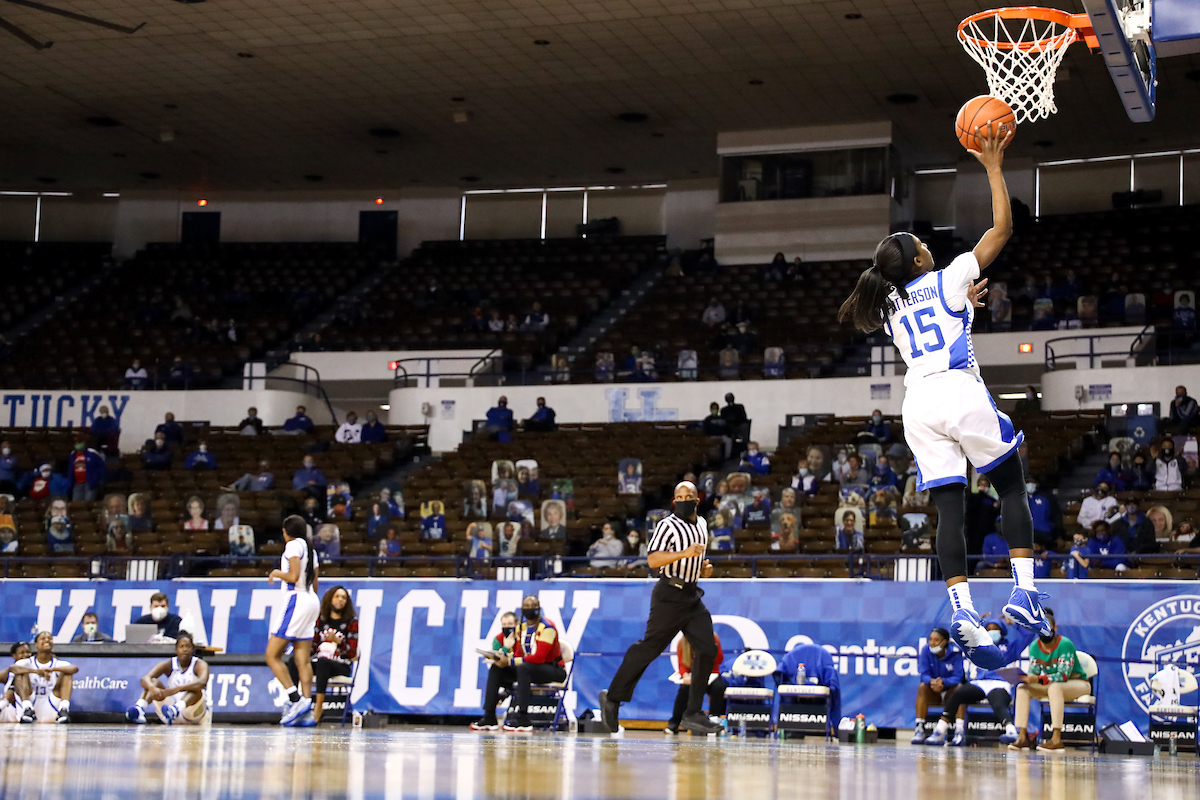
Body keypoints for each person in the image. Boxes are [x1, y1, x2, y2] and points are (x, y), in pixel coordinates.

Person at [837, 122, 1046, 671]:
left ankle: (962, 610)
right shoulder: (953, 275)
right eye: (922, 246)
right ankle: (1024, 592)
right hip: (957, 391)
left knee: (948, 509)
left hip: (918, 407)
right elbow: (1002, 228)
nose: (930, 246)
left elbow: (930, 317)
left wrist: (964, 305)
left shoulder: (886, 306)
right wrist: (995, 169)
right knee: (1010, 485)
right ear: (918, 263)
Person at [600, 482, 723, 736]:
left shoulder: (702, 524)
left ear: (697, 500)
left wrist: (703, 571)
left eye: (687, 497)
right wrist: (684, 552)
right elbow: (654, 559)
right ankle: (612, 698)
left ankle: (692, 713)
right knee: (649, 648)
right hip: (669, 594)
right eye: (678, 497)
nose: (683, 500)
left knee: (708, 648)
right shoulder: (667, 525)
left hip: (691, 594)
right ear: (673, 501)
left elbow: (696, 563)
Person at [928, 616, 1036, 747]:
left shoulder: (1010, 647)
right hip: (979, 682)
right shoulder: (978, 646)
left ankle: (1011, 732)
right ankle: (939, 731)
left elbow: (1029, 635)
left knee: (998, 703)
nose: (992, 631)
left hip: (999, 682)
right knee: (957, 694)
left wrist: (1014, 623)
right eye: (988, 629)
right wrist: (974, 624)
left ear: (1001, 631)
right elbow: (960, 638)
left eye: (995, 628)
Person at [266, 515, 321, 727]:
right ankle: (307, 710)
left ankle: (295, 699)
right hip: (311, 599)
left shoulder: (292, 546)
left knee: (272, 655)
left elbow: (294, 576)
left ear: (285, 531)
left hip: (296, 599)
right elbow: (315, 581)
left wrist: (276, 573)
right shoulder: (311, 549)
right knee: (303, 660)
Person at [1009, 608, 1090, 751]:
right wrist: (1027, 678)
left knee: (1055, 687)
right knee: (1022, 689)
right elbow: (1034, 671)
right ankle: (1022, 737)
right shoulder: (1035, 646)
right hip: (1051, 684)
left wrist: (1039, 679)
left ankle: (1056, 739)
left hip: (1078, 683)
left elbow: (1062, 675)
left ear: (1055, 628)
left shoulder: (1065, 643)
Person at [286, 585, 358, 723]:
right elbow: (312, 648)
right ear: (330, 599)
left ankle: (318, 706)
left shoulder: (351, 622)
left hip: (340, 664)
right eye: (337, 596)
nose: (340, 600)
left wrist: (339, 642)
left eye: (343, 597)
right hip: (320, 661)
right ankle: (296, 702)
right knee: (294, 662)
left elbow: (352, 653)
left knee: (322, 662)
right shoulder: (321, 619)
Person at [125, 632, 209, 725]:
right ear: (176, 649)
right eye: (181, 646)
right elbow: (145, 678)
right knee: (153, 682)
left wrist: (177, 689)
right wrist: (153, 689)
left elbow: (202, 682)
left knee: (195, 689)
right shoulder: (169, 663)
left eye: (188, 646)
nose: (185, 649)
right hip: (168, 712)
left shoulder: (199, 664)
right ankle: (139, 708)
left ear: (192, 649)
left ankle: (176, 709)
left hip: (192, 713)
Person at [10, 631, 78, 723]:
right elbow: (13, 668)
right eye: (43, 638)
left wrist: (52, 669)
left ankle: (63, 710)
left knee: (67, 672)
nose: (47, 640)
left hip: (51, 704)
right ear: (36, 644)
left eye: (49, 638)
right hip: (32, 703)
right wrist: (35, 671)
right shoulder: (28, 662)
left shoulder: (57, 663)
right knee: (21, 672)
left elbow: (74, 668)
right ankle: (27, 709)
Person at [910, 627, 963, 744]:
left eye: (936, 640)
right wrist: (932, 682)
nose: (932, 643)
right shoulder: (925, 650)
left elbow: (958, 677)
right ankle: (919, 729)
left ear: (944, 642)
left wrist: (943, 682)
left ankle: (959, 732)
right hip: (934, 691)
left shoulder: (955, 652)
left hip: (950, 692)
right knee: (922, 687)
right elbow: (923, 674)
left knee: (960, 690)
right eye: (930, 639)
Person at [665, 634, 726, 735]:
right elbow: (682, 664)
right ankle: (674, 723)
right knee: (684, 690)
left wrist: (714, 646)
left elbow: (719, 660)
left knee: (718, 687)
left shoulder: (713, 639)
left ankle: (714, 719)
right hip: (692, 675)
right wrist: (685, 676)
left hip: (711, 673)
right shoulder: (682, 643)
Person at [0, 642, 32, 723]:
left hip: (34, 705)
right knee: (18, 674)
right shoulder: (8, 672)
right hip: (12, 710)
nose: (25, 655)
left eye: (28, 652)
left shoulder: (36, 668)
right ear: (14, 656)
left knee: (20, 674)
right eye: (22, 653)